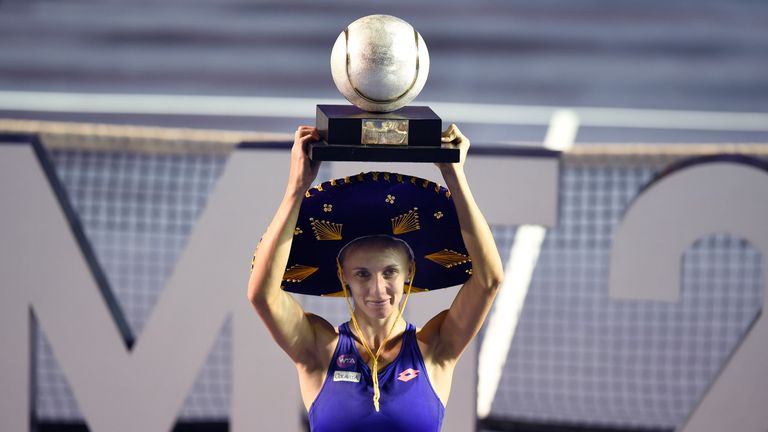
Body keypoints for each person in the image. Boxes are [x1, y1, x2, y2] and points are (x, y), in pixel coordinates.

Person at [247, 124, 504, 432]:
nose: (377, 288)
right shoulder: (320, 348)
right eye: (362, 274)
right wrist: (296, 188)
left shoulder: (435, 348)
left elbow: (488, 280)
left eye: (390, 272)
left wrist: (454, 174)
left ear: (409, 271)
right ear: (343, 275)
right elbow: (262, 294)